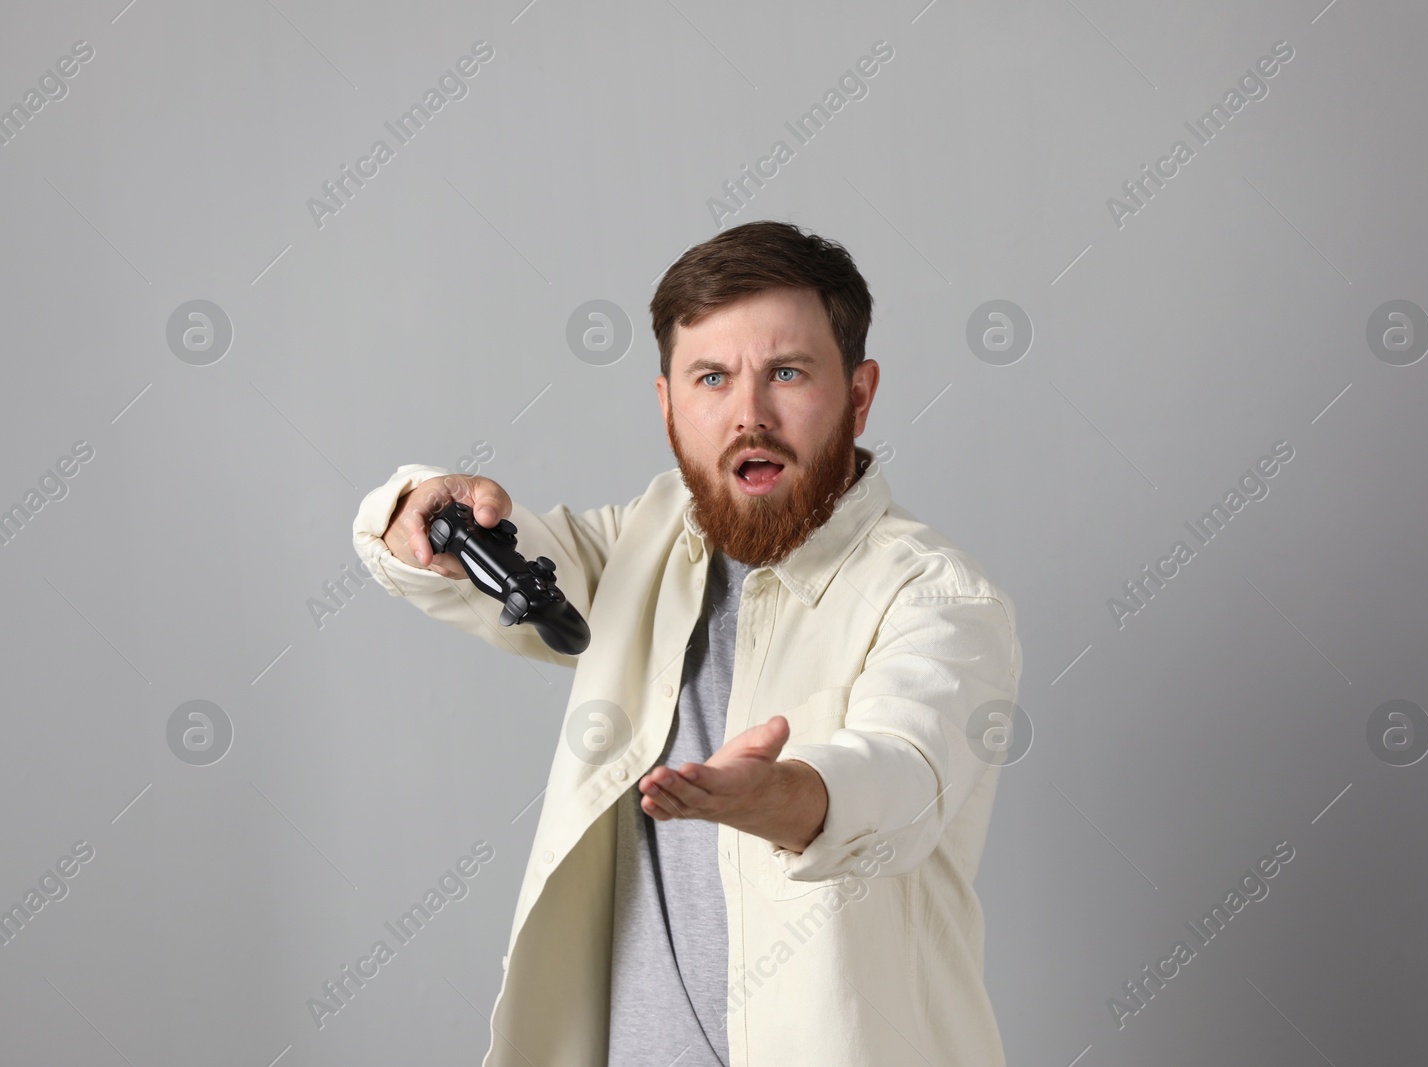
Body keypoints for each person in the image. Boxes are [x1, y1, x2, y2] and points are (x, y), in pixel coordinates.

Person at [351, 220, 1022, 1066]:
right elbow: (439, 567)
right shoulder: (639, 545)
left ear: (859, 393)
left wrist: (784, 796)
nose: (749, 414)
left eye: (787, 372)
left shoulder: (935, 593)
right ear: (668, 403)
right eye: (712, 377)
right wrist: (417, 505)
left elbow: (906, 775)